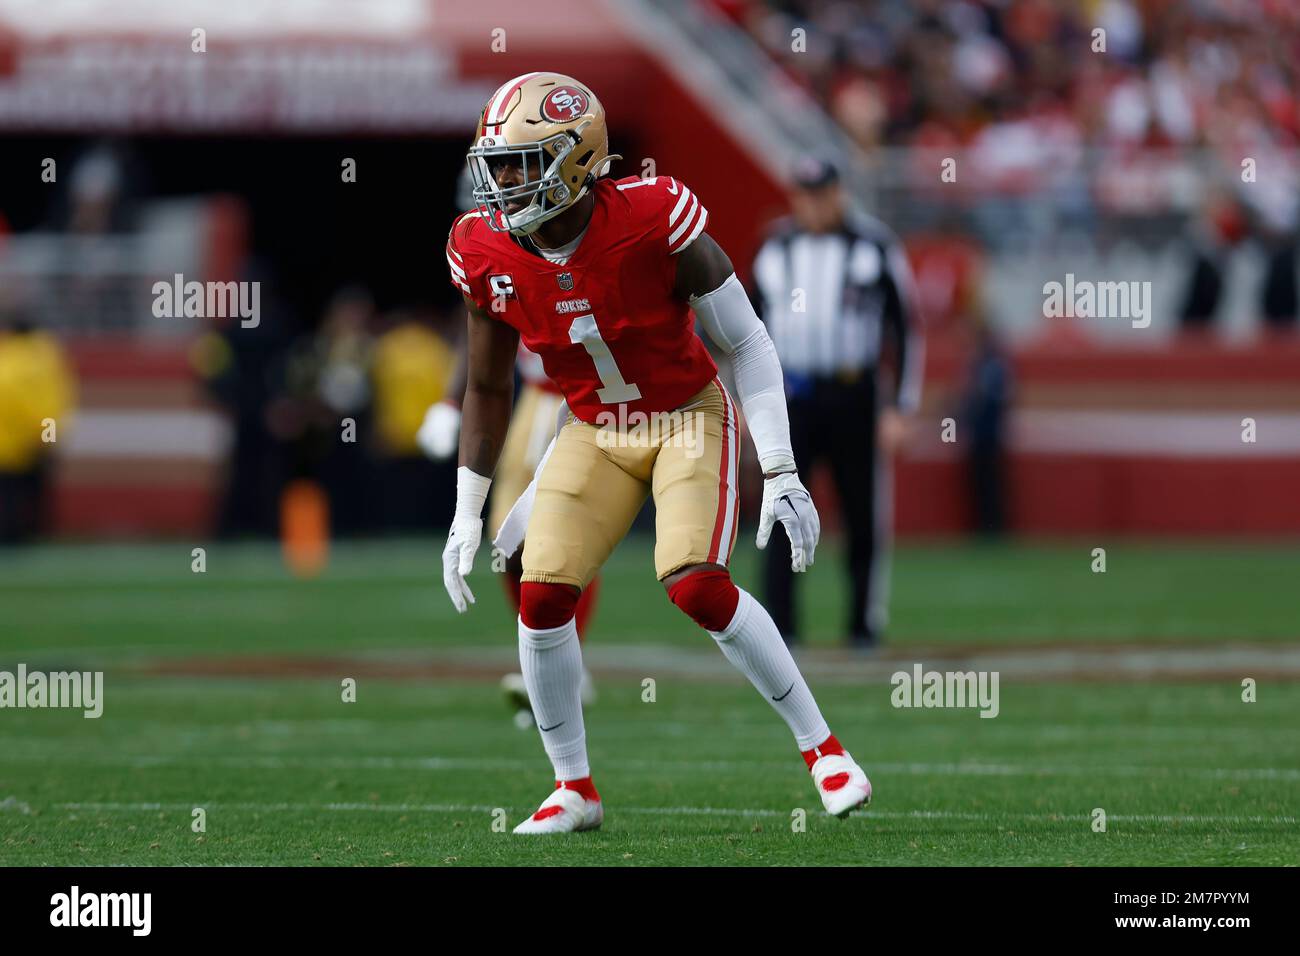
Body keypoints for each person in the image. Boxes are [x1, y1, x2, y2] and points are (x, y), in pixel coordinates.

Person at [440, 72, 871, 834]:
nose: (502, 183)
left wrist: (779, 466)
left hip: (685, 417)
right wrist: (467, 509)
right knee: (542, 596)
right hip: (593, 428)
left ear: (576, 160)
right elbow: (486, 385)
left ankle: (825, 751)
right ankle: (573, 787)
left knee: (697, 584)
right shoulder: (482, 248)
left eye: (520, 164)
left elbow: (746, 340)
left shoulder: (651, 216)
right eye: (496, 165)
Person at [752, 156, 923, 648]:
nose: (814, 204)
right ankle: (780, 628)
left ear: (838, 193)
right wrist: (750, 402)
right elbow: (746, 332)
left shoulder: (874, 246)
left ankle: (863, 625)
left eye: (822, 193)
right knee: (783, 508)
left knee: (861, 513)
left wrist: (900, 406)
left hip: (853, 393)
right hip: (791, 397)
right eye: (805, 194)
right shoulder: (774, 249)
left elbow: (906, 327)